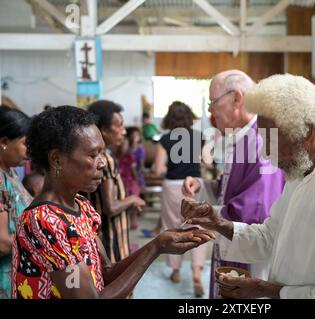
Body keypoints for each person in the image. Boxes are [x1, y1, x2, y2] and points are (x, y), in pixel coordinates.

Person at [182, 74, 315, 299]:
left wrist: (266, 290)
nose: (266, 152)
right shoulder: (299, 176)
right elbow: (269, 236)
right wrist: (218, 223)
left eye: (272, 140)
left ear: (305, 131)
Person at [11, 105, 215, 299]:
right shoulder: (43, 221)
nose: (101, 163)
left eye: (102, 152)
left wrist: (158, 243)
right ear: (56, 159)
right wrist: (155, 249)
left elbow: (107, 272)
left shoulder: (80, 206)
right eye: (92, 155)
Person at [182, 70, 285, 299]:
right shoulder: (241, 136)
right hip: (234, 244)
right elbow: (231, 189)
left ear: (237, 99)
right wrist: (202, 186)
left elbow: (255, 209)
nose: (210, 111)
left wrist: (207, 214)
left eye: (213, 102)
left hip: (250, 254)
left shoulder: (261, 141)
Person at [151, 101, 207, 297]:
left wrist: (170, 168)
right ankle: (197, 272)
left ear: (169, 118)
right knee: (198, 227)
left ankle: (175, 271)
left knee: (173, 226)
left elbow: (158, 169)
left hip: (172, 186)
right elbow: (206, 164)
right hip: (195, 184)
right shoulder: (200, 137)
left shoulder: (164, 139)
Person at [86, 100, 146, 263]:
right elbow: (111, 207)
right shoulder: (105, 160)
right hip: (110, 241)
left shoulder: (91, 157)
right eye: (119, 125)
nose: (123, 131)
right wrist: (133, 199)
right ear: (103, 130)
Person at [0, 106, 32, 299]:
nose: (29, 151)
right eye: (25, 144)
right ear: (4, 142)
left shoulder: (10, 174)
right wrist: (41, 245)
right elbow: (2, 242)